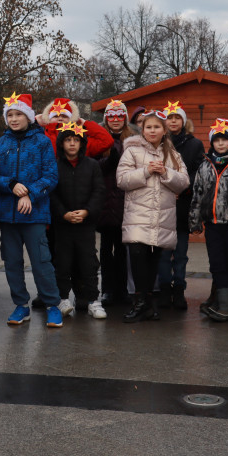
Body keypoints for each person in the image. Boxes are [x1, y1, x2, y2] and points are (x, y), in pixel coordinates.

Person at [0, 93, 63, 328]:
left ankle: (52, 305)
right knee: (12, 262)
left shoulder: (42, 142)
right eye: (10, 114)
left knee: (41, 262)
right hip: (7, 215)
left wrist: (30, 192)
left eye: (18, 114)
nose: (14, 119)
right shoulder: (0, 144)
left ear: (28, 116)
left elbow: (51, 176)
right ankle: (21, 304)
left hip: (35, 214)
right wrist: (10, 185)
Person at [116, 110, 189, 323]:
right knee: (138, 257)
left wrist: (166, 172)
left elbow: (184, 182)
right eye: (148, 127)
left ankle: (148, 304)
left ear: (164, 130)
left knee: (153, 260)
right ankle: (140, 302)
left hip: (161, 217)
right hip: (138, 215)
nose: (152, 131)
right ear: (142, 130)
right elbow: (122, 180)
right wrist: (146, 171)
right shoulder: (132, 152)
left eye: (157, 127)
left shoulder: (173, 154)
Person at [189, 118, 228, 322]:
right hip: (213, 223)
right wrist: (195, 219)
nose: (220, 143)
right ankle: (223, 302)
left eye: (225, 139)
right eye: (216, 140)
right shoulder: (206, 164)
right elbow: (198, 193)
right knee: (216, 262)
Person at [51, 122, 107, 319]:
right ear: (62, 143)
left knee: (88, 263)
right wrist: (63, 214)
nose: (72, 144)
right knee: (63, 262)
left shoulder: (92, 165)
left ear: (82, 143)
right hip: (63, 224)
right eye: (68, 140)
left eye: (76, 140)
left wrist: (87, 211)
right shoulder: (55, 166)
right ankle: (62, 298)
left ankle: (93, 300)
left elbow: (99, 191)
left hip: (85, 224)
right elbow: (52, 194)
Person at [157, 100, 204, 310]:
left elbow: (198, 173)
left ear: (183, 121)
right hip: (161, 204)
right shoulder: (158, 143)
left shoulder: (194, 144)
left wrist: (182, 188)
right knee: (163, 254)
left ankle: (179, 290)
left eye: (177, 117)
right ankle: (164, 289)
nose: (173, 121)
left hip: (183, 203)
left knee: (181, 253)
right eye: (169, 118)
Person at [96, 99, 131, 306]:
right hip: (105, 201)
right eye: (111, 116)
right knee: (105, 249)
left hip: (126, 200)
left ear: (125, 118)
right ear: (106, 118)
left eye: (119, 116)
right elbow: (92, 166)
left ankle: (123, 289)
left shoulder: (132, 139)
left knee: (123, 249)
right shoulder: (99, 139)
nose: (115, 119)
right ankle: (107, 289)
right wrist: (109, 162)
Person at [39, 98, 114, 158]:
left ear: (71, 119)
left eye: (64, 116)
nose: (60, 119)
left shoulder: (79, 138)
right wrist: (35, 122)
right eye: (55, 116)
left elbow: (107, 141)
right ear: (48, 118)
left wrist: (86, 124)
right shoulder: (41, 136)